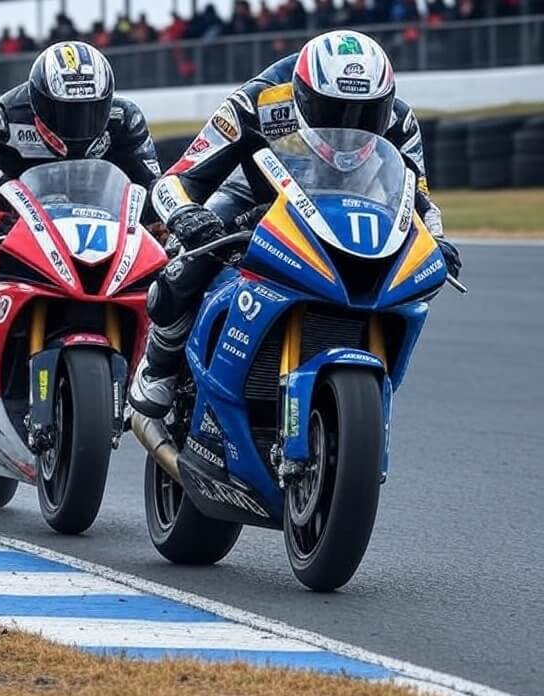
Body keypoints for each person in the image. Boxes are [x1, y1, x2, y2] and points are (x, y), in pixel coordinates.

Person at [130, 29, 462, 418]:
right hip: (254, 198)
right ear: (302, 95)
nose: (349, 125)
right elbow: (178, 178)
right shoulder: (258, 100)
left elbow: (419, 197)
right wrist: (188, 216)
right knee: (193, 257)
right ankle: (161, 363)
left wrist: (437, 241)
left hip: (346, 210)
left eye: (364, 113)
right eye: (332, 111)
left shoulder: (399, 120)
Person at [0, 40, 162, 400]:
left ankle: (163, 366)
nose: (79, 125)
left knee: (174, 261)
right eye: (66, 112)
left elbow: (154, 187)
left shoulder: (124, 119)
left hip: (102, 222)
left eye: (90, 111)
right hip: (18, 222)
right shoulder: (4, 120)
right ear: (38, 101)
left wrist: (166, 219)